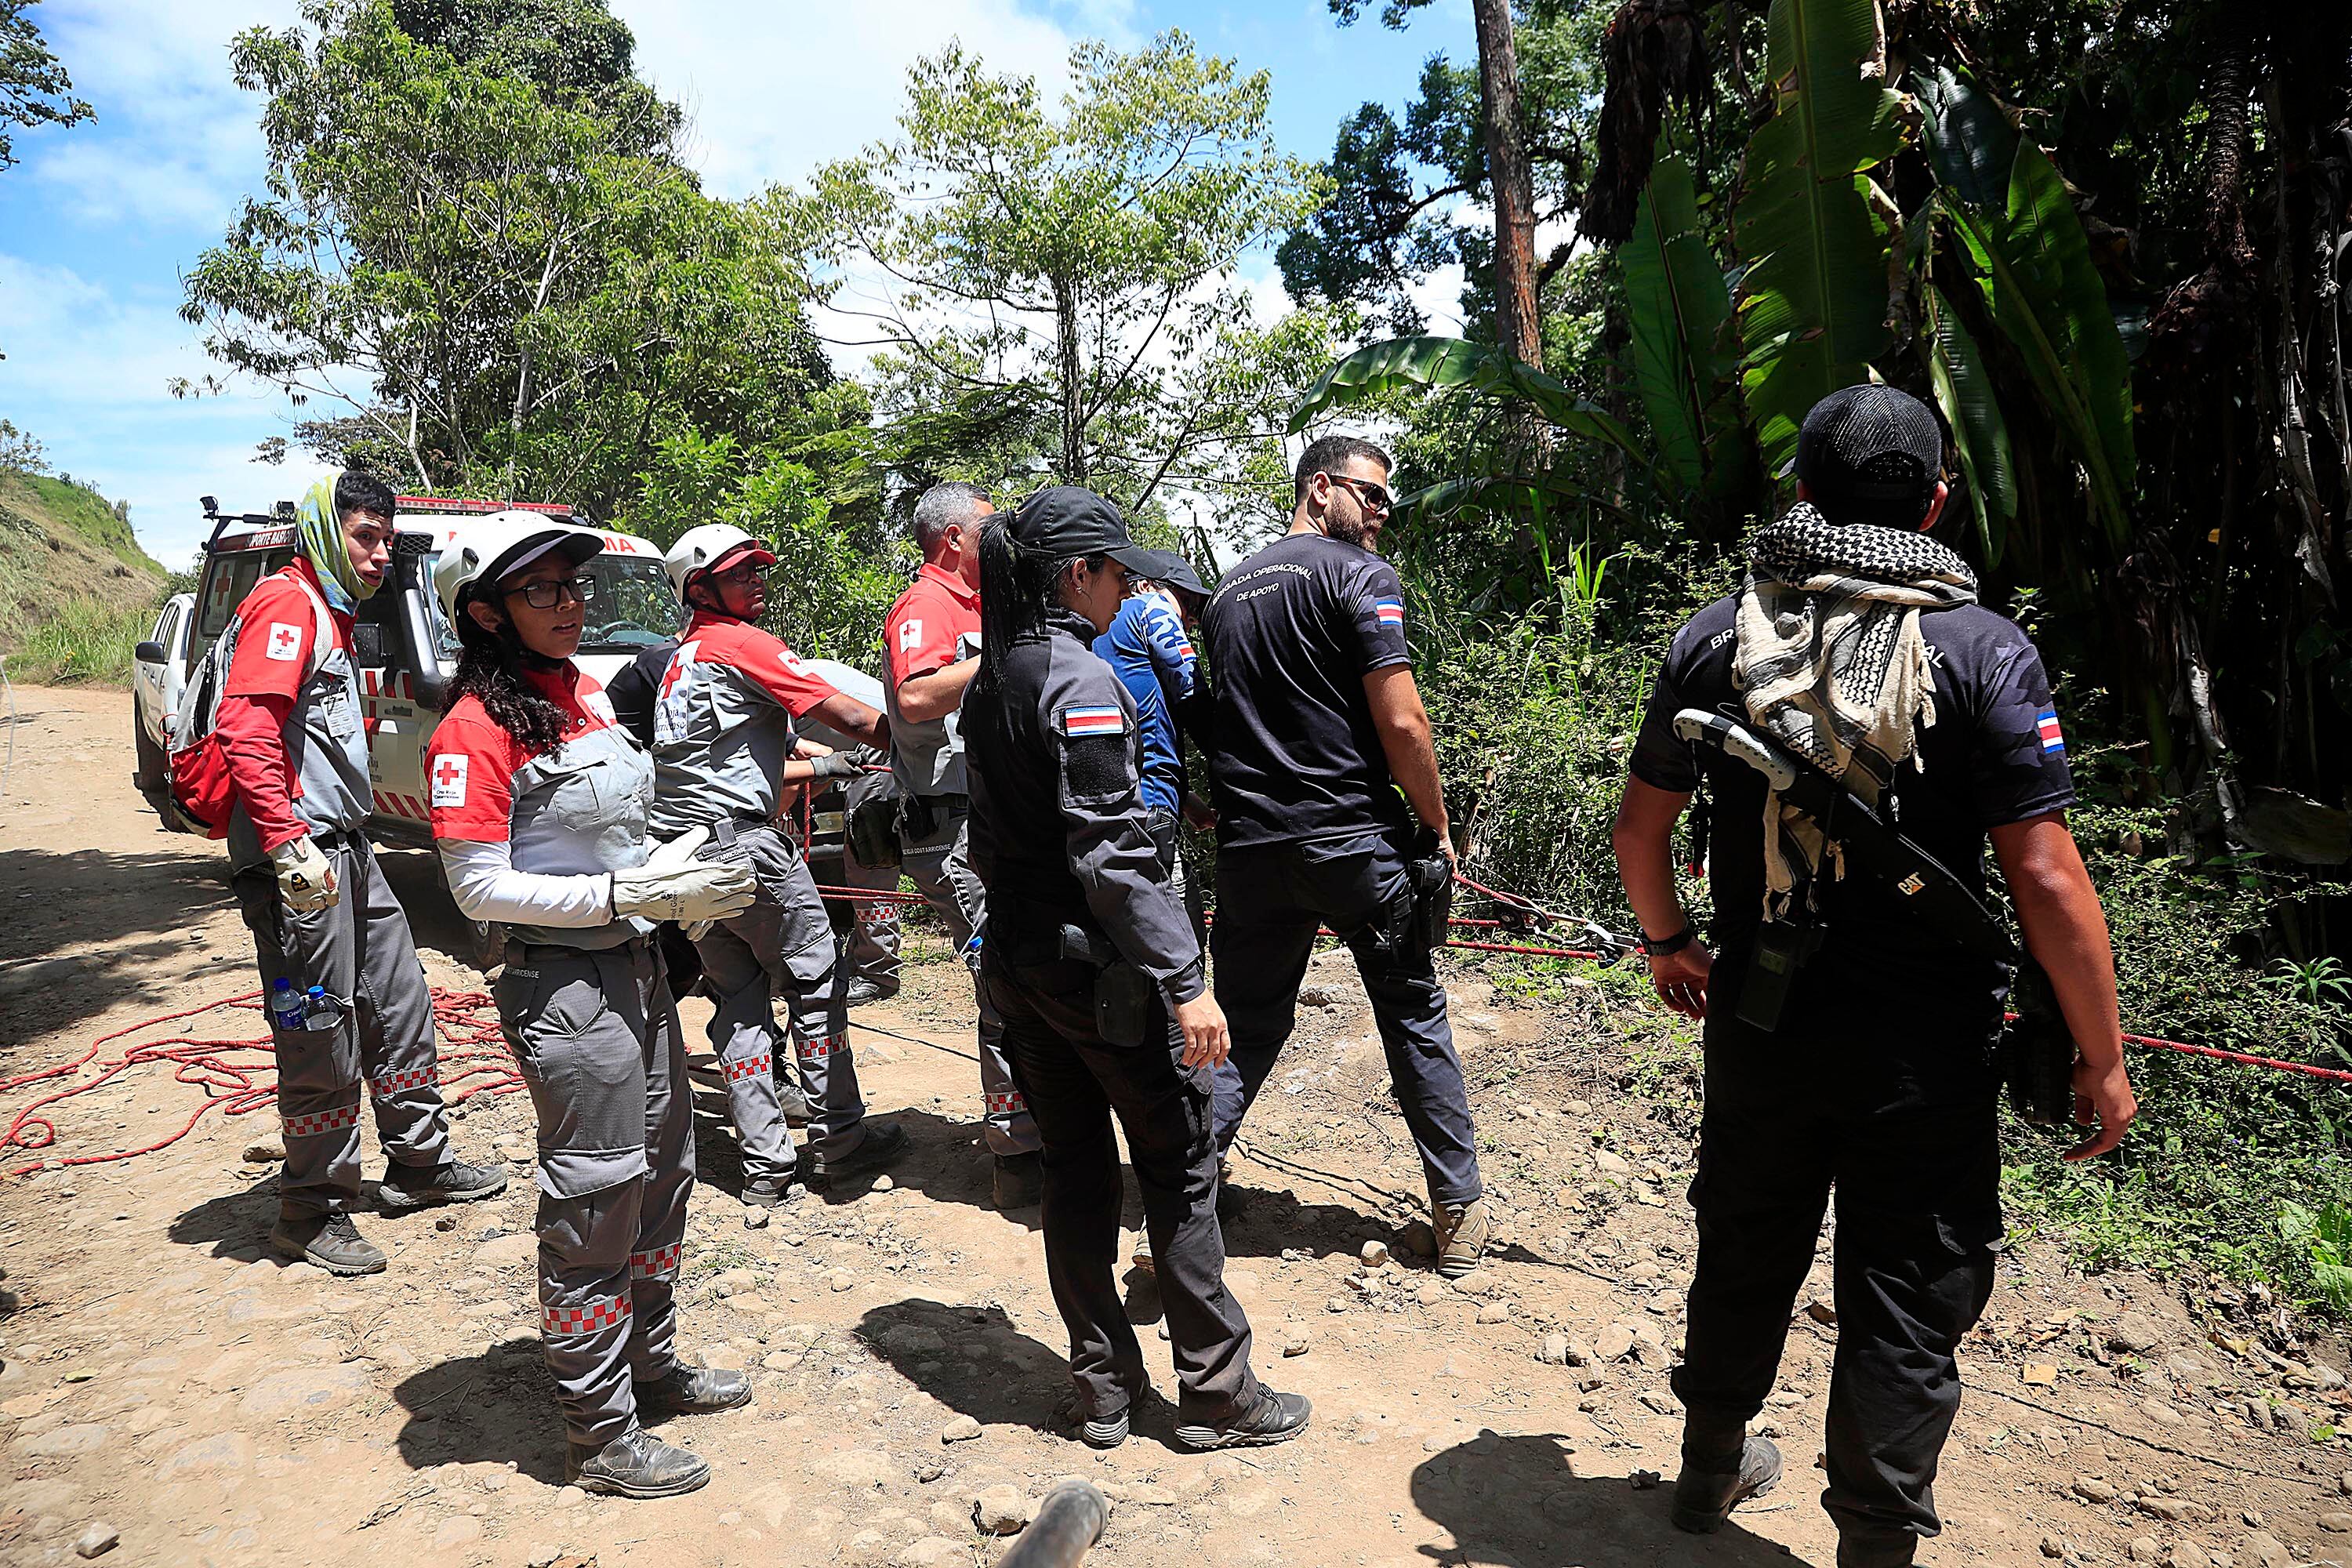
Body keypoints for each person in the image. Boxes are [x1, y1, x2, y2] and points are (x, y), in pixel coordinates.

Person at [1610, 385, 2138, 1566]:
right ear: (1938, 502)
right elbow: (2046, 877)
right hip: (1925, 1049)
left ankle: (1707, 1469)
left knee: (1745, 1236)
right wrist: (2102, 1057)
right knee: (1906, 1282)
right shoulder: (1983, 649)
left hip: (1762, 1015)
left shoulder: (1720, 637)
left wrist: (1669, 942)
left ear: (1803, 492)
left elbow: (1640, 832)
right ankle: (1876, 1542)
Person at [963, 485, 1309, 1453]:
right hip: (1100, 977)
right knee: (1180, 1160)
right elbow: (1112, 853)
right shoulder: (1077, 680)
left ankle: (1103, 1388)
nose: (1128, 589)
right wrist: (1186, 979)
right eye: (1118, 572)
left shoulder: (990, 679)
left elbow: (987, 836)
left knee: (1074, 1170)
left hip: (1023, 967)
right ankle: (1219, 1394)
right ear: (1077, 574)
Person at [426, 512, 758, 1497]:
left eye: (574, 585)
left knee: (665, 1170)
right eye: (543, 590)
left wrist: (670, 869)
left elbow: (618, 829)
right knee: (597, 1194)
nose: (569, 603)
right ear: (486, 612)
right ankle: (600, 1431)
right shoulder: (472, 730)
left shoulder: (582, 693)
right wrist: (619, 894)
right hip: (565, 986)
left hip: (637, 967)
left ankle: (650, 1365)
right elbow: (477, 887)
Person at [1198, 436, 1488, 1277]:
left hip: (1253, 849)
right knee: (1413, 1013)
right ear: (1319, 487)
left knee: (1245, 1025)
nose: (1382, 513)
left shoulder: (1226, 594)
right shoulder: (1361, 577)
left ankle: (1182, 1199)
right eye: (1372, 494)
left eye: (1390, 500)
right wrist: (1438, 825)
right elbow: (1402, 721)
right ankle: (1459, 1215)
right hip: (1353, 842)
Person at [216, 469, 504, 1276]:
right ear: (324, 531)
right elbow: (245, 728)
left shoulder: (331, 608)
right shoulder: (287, 604)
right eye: (365, 537)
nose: (379, 554)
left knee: (399, 999)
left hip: (347, 848)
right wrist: (286, 846)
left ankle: (419, 1161)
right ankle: (311, 1209)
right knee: (320, 1030)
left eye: (387, 539)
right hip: (301, 861)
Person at [652, 524, 908, 1205]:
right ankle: (841, 1143)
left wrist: (827, 764)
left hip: (688, 860)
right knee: (817, 984)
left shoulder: (681, 660)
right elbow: (853, 715)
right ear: (699, 588)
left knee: (738, 1002)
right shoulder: (743, 644)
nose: (757, 580)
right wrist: (918, 743)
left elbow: (763, 747)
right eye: (739, 573)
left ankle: (765, 1164)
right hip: (746, 849)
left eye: (758, 569)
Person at [884, 481, 1044, 1208]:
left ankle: (1036, 1132)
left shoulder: (981, 606)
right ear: (954, 539)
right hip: (953, 830)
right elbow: (916, 697)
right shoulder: (926, 605)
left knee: (1024, 973)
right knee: (1005, 980)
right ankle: (1017, 1153)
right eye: (989, 527)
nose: (1001, 535)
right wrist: (1006, 652)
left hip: (990, 818)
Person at [1090, 553, 1214, 923]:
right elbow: (1194, 698)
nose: (1192, 618)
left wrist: (1184, 795)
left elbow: (1134, 724)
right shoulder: (1150, 608)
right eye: (1187, 602)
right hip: (1152, 803)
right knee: (1171, 928)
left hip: (1105, 799)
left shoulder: (1094, 629)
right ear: (1145, 585)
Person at [795, 657, 904, 1006]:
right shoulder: (789, 675)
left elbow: (811, 769)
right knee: (861, 861)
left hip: (880, 746)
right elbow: (824, 764)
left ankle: (877, 972)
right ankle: (863, 957)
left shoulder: (775, 694)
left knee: (869, 860)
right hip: (876, 742)